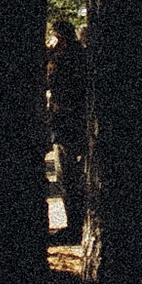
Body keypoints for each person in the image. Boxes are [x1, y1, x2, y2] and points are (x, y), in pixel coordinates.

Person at [45, 22, 90, 243]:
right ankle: (78, 225)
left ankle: (75, 228)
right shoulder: (80, 55)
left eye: (54, 37)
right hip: (76, 125)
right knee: (75, 178)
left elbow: (49, 83)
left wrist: (49, 54)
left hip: (67, 126)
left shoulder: (63, 59)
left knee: (68, 178)